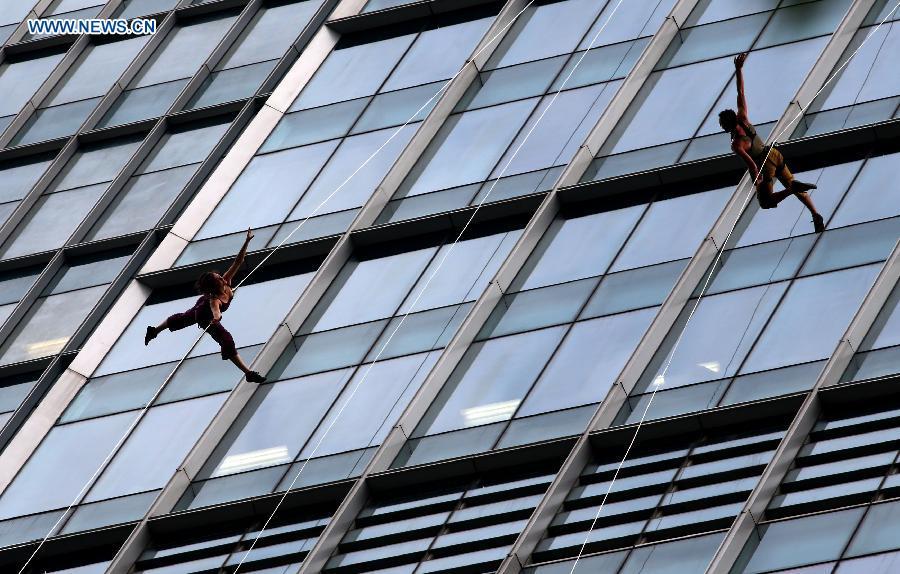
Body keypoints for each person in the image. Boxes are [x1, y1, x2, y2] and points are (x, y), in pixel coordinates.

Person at [719, 52, 825, 233]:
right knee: (790, 181)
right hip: (774, 153)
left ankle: (792, 190)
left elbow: (751, 164)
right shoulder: (743, 117)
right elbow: (741, 91)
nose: (720, 126)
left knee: (766, 202)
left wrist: (757, 181)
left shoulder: (736, 144)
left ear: (727, 125)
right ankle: (816, 214)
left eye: (721, 124)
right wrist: (738, 70)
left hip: (764, 163)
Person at [144, 228, 266, 383]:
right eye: (218, 278)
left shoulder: (226, 281)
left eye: (219, 276)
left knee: (187, 318)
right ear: (216, 285)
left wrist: (247, 241)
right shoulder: (214, 299)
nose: (222, 276)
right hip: (204, 314)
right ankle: (249, 373)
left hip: (204, 306)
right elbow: (216, 312)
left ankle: (154, 330)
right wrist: (216, 319)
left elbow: (238, 261)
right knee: (222, 337)